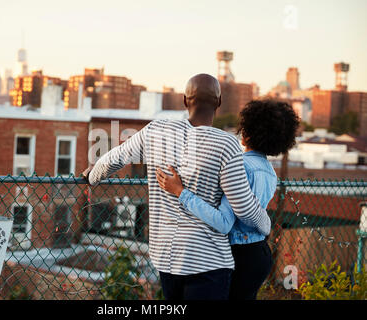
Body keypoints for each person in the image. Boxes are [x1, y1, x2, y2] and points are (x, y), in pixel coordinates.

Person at [83, 74, 271, 300]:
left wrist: (92, 176)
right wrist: (266, 224)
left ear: (184, 101)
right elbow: (244, 208)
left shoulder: (154, 132)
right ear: (219, 103)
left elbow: (115, 158)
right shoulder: (226, 143)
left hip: (167, 259)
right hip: (207, 261)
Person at [156, 99, 300, 299]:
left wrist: (181, 192)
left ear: (246, 133)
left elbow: (224, 220)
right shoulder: (270, 172)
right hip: (259, 254)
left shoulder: (237, 165)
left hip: (237, 254)